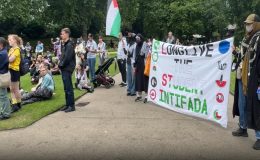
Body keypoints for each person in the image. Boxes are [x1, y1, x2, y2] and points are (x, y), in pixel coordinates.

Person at [241, 14, 260, 150]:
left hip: (256, 77)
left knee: (257, 108)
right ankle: (243, 127)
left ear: (257, 24)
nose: (248, 26)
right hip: (248, 76)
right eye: (247, 24)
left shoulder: (259, 37)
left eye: (250, 23)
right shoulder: (250, 37)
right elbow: (245, 55)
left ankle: (259, 137)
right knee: (248, 105)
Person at [59, 28, 76, 113]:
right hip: (64, 68)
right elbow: (63, 56)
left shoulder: (69, 45)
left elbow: (67, 58)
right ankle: (67, 104)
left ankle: (71, 106)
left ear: (67, 34)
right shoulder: (66, 44)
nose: (61, 35)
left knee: (69, 87)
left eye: (62, 34)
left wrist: (61, 65)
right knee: (66, 88)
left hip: (67, 68)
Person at [8, 34, 22, 112]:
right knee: (12, 89)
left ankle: (16, 105)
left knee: (15, 89)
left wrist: (6, 58)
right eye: (8, 40)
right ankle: (17, 104)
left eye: (10, 39)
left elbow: (11, 59)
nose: (9, 41)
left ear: (15, 41)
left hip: (14, 70)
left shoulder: (17, 49)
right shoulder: (11, 50)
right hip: (11, 70)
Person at [134, 34, 149, 102]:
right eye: (136, 39)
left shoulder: (145, 45)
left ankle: (146, 96)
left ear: (141, 39)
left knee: (145, 80)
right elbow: (135, 56)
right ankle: (139, 95)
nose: (137, 40)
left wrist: (143, 53)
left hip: (144, 65)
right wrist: (134, 65)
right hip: (138, 65)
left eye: (138, 39)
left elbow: (147, 54)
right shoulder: (136, 46)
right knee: (138, 80)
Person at [0, 37, 11, 119]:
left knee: (3, 96)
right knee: (3, 95)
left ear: (1, 44)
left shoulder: (2, 53)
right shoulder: (3, 52)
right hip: (2, 75)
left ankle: (6, 113)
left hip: (2, 76)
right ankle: (4, 112)